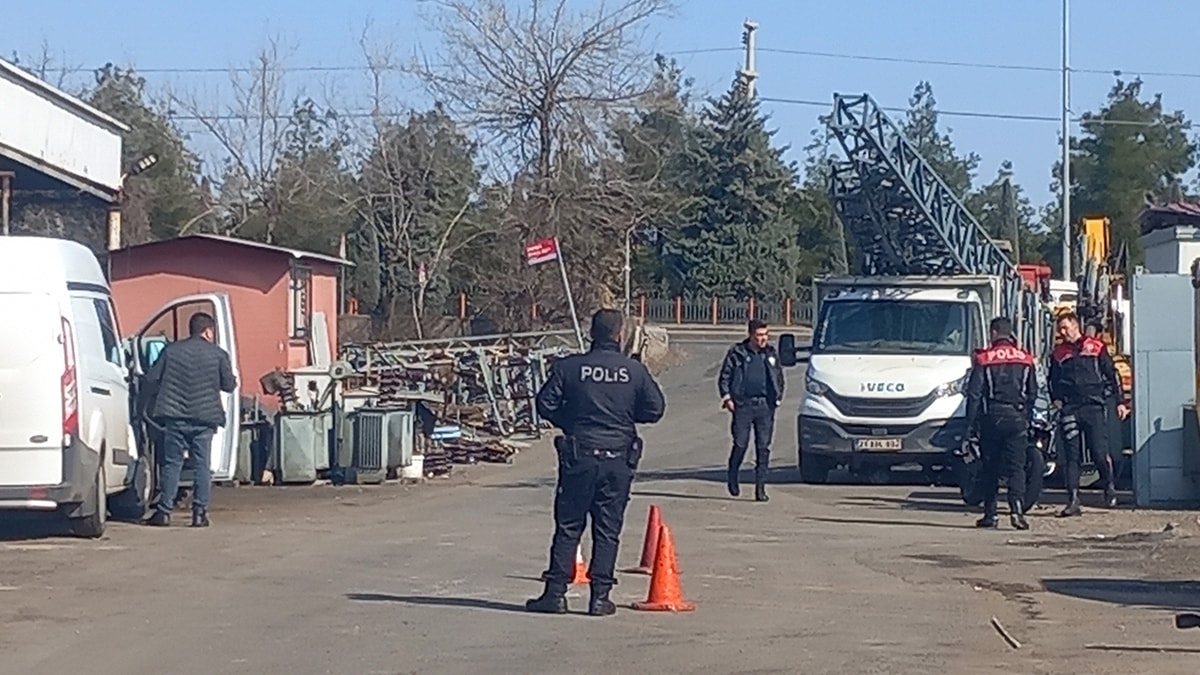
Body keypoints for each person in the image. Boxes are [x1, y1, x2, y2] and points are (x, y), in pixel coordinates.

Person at [525, 309, 666, 617]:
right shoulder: (633, 370)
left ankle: (555, 594)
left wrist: (571, 421)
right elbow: (655, 409)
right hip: (618, 457)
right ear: (619, 335)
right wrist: (625, 417)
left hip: (580, 454)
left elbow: (545, 404)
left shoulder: (570, 367)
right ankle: (600, 598)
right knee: (607, 529)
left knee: (569, 526)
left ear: (592, 333)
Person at [143, 312, 238, 528]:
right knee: (202, 466)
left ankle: (164, 512)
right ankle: (199, 514)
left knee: (172, 464)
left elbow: (152, 377)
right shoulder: (218, 354)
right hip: (205, 419)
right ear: (208, 331)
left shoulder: (171, 351)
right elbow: (229, 386)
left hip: (175, 417)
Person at [1049, 312, 1129, 516]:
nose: (1062, 332)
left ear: (1076, 326)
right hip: (1070, 408)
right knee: (1071, 456)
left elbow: (1112, 374)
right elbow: (1053, 380)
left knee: (1099, 452)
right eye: (1060, 329)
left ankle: (1109, 488)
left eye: (1065, 328)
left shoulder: (1096, 347)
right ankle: (1073, 499)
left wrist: (1120, 401)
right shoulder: (1058, 353)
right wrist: (1056, 399)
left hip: (1093, 406)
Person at [964, 317, 1038, 530]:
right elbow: (1032, 393)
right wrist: (1026, 417)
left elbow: (974, 395)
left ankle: (991, 514)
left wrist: (970, 427)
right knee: (1017, 468)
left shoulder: (984, 359)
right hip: (1017, 418)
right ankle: (1017, 511)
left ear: (994, 333)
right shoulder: (1025, 359)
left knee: (991, 467)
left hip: (993, 418)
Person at [718, 319, 785, 502]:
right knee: (740, 444)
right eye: (759, 335)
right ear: (750, 335)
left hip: (765, 406)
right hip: (743, 405)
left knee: (763, 448)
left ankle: (760, 489)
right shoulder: (738, 353)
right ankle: (733, 474)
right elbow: (725, 376)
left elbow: (779, 377)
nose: (763, 339)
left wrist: (777, 398)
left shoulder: (771, 354)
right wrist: (727, 398)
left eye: (765, 335)